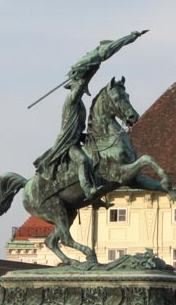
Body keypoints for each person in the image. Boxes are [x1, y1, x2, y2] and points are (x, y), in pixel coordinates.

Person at [32, 31, 146, 201]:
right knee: (83, 161)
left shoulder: (80, 104)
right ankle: (89, 190)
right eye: (78, 85)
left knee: (97, 158)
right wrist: (86, 72)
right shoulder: (71, 101)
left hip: (78, 139)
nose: (82, 86)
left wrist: (95, 66)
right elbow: (70, 126)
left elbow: (78, 126)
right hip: (68, 144)